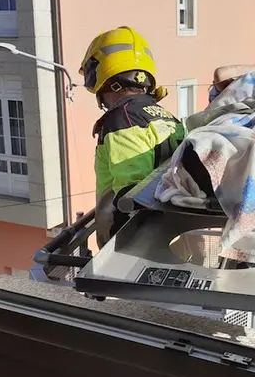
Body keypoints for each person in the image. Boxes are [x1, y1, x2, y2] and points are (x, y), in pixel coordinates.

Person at [79, 26, 185, 247]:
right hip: (173, 236)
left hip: (139, 247)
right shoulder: (167, 117)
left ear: (101, 75)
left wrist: (117, 255)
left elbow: (133, 195)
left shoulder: (122, 120)